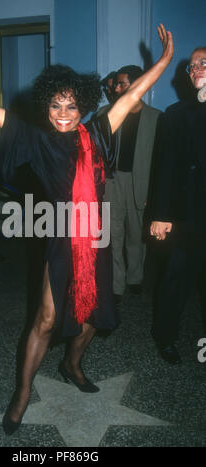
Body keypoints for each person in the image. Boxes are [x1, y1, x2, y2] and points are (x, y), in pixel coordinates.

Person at [0, 24, 173, 434]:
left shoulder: (98, 132)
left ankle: (72, 364)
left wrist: (165, 61)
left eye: (70, 106)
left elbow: (132, 95)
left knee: (92, 316)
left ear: (82, 106)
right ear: (46, 108)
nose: (63, 115)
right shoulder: (35, 138)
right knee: (46, 319)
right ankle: (23, 391)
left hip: (96, 236)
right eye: (55, 106)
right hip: (61, 235)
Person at [149, 47, 206, 364]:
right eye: (192, 66)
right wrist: (160, 215)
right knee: (176, 279)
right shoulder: (176, 114)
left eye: (204, 63)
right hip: (186, 217)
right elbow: (165, 167)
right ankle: (165, 337)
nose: (196, 68)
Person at [93, 66, 161, 302]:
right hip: (112, 181)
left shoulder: (156, 118)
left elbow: (161, 159)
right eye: (117, 84)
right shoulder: (105, 113)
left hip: (140, 181)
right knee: (113, 233)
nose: (116, 88)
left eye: (122, 84)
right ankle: (116, 284)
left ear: (137, 84)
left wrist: (154, 191)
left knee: (136, 234)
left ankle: (135, 278)